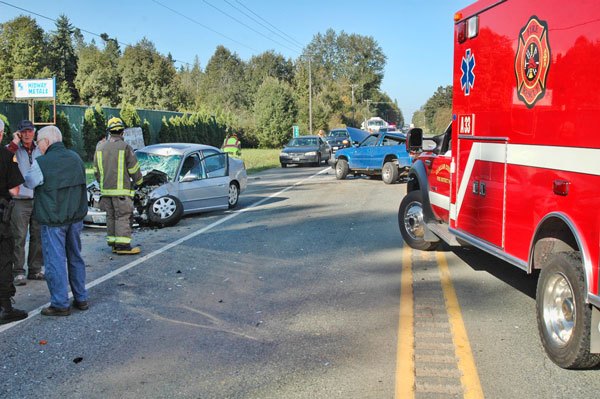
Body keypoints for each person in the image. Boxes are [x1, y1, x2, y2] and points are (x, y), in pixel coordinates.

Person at [24, 125, 88, 316]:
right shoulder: (76, 158)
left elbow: (29, 182)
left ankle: (60, 303)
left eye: (38, 142)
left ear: (47, 142)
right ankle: (81, 298)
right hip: (75, 217)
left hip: (53, 220)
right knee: (75, 257)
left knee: (55, 260)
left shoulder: (41, 163)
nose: (38, 146)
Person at [94, 117, 143, 255]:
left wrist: (103, 184)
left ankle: (114, 243)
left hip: (106, 192)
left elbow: (96, 171)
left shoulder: (100, 147)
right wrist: (139, 182)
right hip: (121, 192)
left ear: (109, 131)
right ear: (122, 132)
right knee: (122, 216)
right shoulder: (125, 147)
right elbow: (133, 169)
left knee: (111, 217)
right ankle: (123, 246)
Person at [6, 120, 44, 286]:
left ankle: (35, 269)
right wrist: (15, 142)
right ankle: (18, 271)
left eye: (30, 131)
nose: (27, 134)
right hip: (19, 199)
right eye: (24, 131)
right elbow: (5, 160)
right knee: (19, 236)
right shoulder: (13, 149)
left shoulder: (40, 148)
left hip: (38, 197)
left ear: (34, 132)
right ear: (19, 133)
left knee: (38, 235)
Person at [0, 119, 28, 324]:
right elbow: (15, 190)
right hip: (1, 219)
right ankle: (5, 307)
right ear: (1, 134)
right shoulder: (5, 156)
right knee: (3, 261)